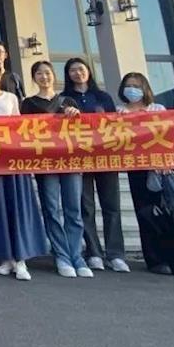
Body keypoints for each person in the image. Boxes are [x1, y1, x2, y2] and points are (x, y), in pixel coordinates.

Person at [0, 58, 47, 281]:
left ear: (1, 74)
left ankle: (21, 259)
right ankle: (6, 257)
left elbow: (18, 128)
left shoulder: (11, 98)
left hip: (13, 162)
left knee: (17, 207)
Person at [21, 61, 92, 278]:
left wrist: (76, 115)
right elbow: (23, 131)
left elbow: (83, 131)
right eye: (39, 74)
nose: (44, 77)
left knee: (73, 210)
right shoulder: (28, 104)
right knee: (51, 210)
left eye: (47, 73)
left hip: (70, 161)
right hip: (45, 164)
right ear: (34, 78)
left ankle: (76, 256)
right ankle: (61, 255)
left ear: (54, 75)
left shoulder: (68, 101)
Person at [117, 72, 174, 277]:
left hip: (163, 167)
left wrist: (167, 161)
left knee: (173, 212)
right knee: (146, 214)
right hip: (137, 168)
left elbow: (171, 136)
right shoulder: (119, 111)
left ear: (145, 88)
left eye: (136, 86)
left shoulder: (158, 109)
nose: (132, 89)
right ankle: (155, 260)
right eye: (128, 85)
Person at [62, 57, 129, 272]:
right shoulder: (64, 99)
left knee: (111, 207)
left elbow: (114, 124)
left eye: (81, 69)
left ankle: (115, 254)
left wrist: (121, 114)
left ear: (89, 71)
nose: (77, 73)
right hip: (80, 159)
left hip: (105, 157)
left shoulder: (103, 97)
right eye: (72, 70)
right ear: (67, 74)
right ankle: (93, 252)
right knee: (86, 207)